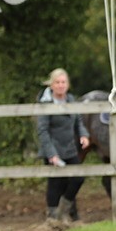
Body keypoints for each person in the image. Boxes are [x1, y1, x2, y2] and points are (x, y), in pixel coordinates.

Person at [36, 68, 90, 221]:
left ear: (68, 84)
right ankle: (52, 218)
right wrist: (52, 154)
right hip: (53, 149)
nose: (61, 85)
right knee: (55, 183)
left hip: (70, 148)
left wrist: (84, 135)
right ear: (52, 85)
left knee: (78, 178)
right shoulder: (45, 103)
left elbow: (78, 121)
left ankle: (63, 210)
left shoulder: (71, 99)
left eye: (63, 82)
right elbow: (42, 131)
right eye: (57, 82)